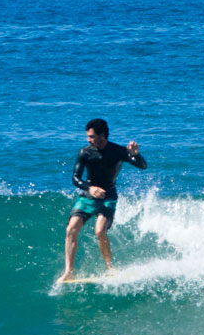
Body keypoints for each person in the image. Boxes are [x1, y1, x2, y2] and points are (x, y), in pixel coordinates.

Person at [61, 118, 147, 281]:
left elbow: (142, 166)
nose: (88, 139)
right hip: (87, 196)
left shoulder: (118, 151)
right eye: (88, 136)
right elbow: (75, 178)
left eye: (92, 136)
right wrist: (90, 188)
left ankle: (110, 267)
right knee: (71, 229)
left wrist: (136, 155)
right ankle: (68, 272)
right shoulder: (85, 152)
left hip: (108, 198)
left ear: (102, 135)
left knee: (100, 231)